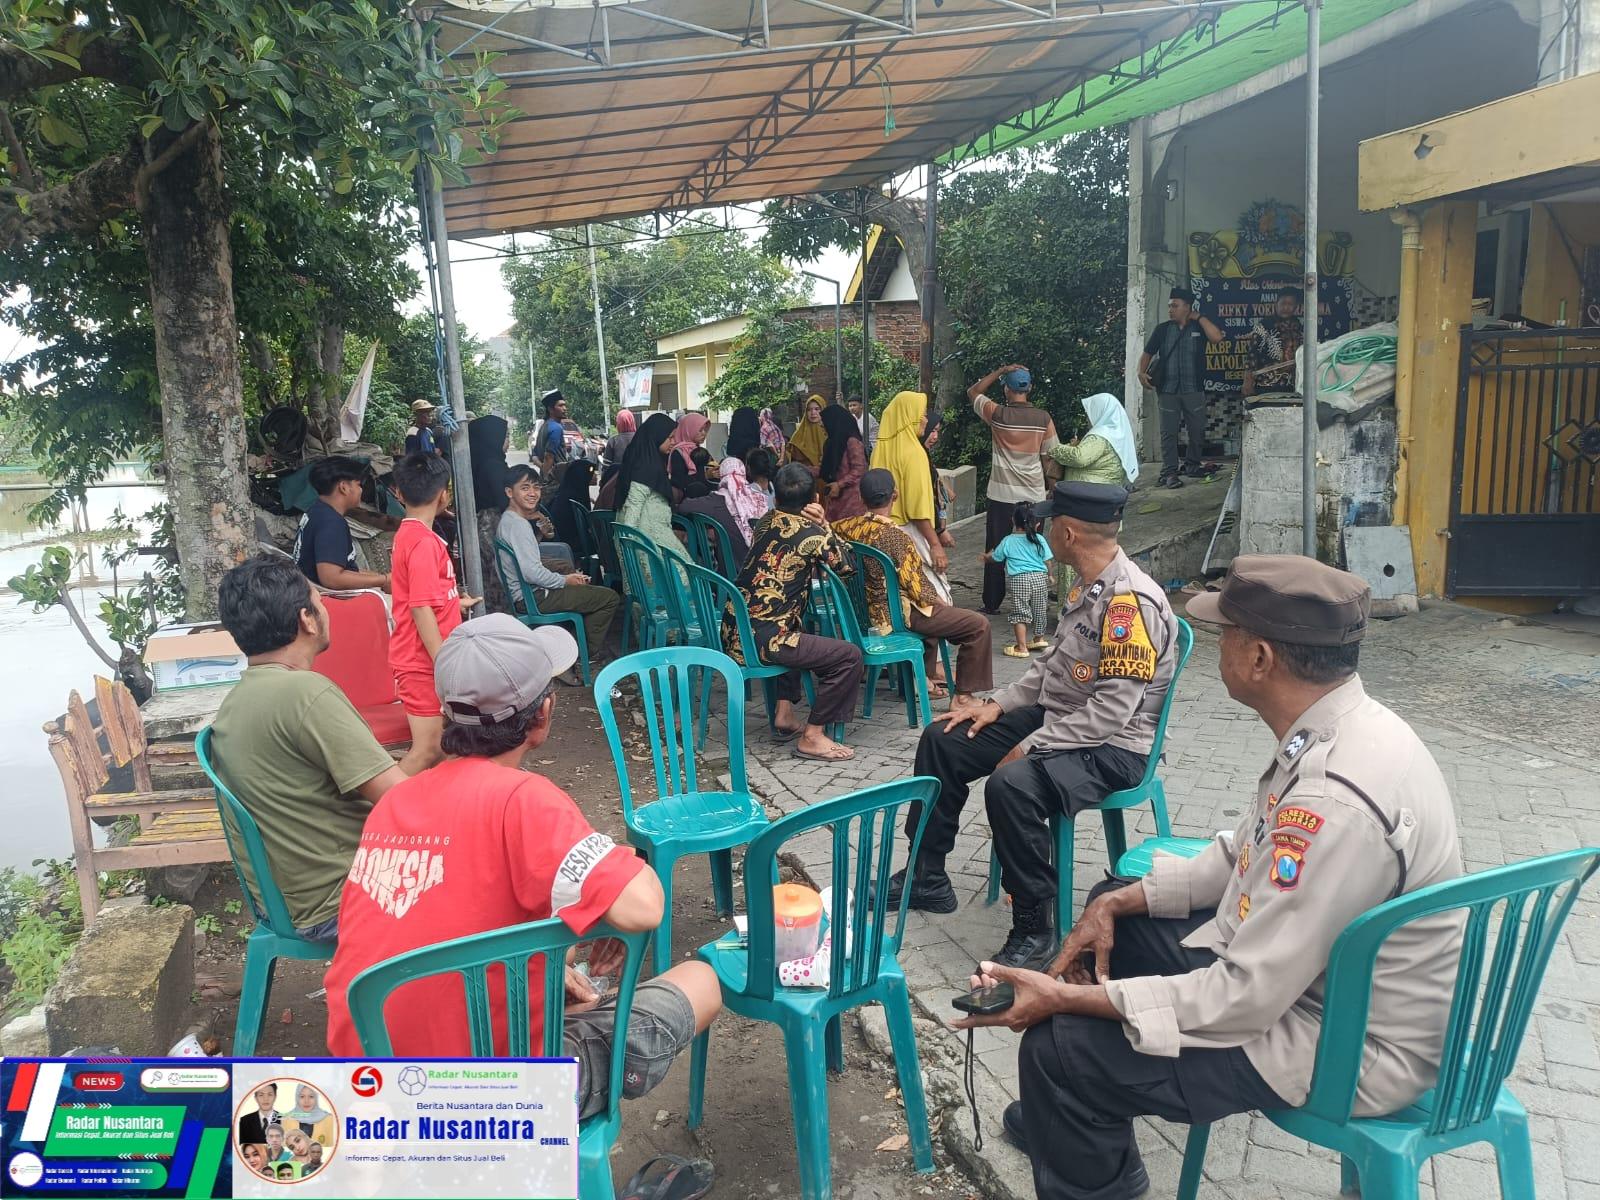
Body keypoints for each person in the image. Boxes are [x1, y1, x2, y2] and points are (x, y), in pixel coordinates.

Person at [959, 556, 1464, 1200]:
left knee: (1059, 1049)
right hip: (1321, 983)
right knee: (1116, 912)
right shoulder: (1340, 727)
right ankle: (1079, 1120)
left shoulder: (1333, 799)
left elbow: (1243, 999)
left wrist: (1067, 1001)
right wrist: (1119, 903)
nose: (1215, 647)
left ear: (1259, 658)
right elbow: (1240, 854)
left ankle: (1078, 1109)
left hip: (1347, 1040)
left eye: (1224, 633)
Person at [323, 617, 724, 1132]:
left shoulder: (394, 804)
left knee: (570, 981)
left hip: (370, 1081)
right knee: (702, 980)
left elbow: (444, 925)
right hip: (489, 1098)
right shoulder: (522, 799)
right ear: (544, 716)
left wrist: (554, 962)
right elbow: (643, 906)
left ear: (445, 714)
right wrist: (607, 899)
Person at [897, 482, 1179, 969]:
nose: (1045, 530)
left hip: (1117, 745)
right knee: (944, 739)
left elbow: (1112, 712)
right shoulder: (1088, 584)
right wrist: (997, 706)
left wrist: (1031, 745)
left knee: (1012, 784)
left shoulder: (1127, 603)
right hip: (1065, 719)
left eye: (1052, 522)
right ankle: (927, 877)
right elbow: (1050, 666)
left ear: (1068, 533)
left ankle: (1035, 928)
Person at [212, 559, 409, 942]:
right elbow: (399, 799)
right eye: (320, 601)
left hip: (285, 902)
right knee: (486, 860)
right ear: (307, 620)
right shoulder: (305, 692)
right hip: (343, 898)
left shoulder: (237, 699)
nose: (324, 610)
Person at [725, 463, 862, 762]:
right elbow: (848, 566)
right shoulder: (814, 534)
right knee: (849, 656)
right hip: (766, 640)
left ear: (776, 497)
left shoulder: (765, 520)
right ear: (815, 499)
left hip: (735, 631)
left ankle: (784, 713)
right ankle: (813, 735)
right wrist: (825, 524)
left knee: (796, 629)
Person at [834, 469, 992, 709]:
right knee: (977, 625)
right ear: (895, 495)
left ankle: (922, 679)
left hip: (864, 613)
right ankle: (963, 698)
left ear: (861, 498)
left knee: (934, 619)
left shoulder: (846, 527)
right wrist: (943, 604)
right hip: (897, 615)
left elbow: (826, 530)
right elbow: (919, 590)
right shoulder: (897, 537)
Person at [389, 452, 481, 775]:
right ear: (445, 495)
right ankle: (383, 802)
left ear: (398, 493)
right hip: (423, 662)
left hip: (422, 659)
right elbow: (420, 607)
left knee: (442, 748)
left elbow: (422, 596)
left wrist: (453, 603)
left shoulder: (409, 535)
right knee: (427, 749)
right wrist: (444, 663)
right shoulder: (425, 543)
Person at [498, 464, 619, 670]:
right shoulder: (518, 525)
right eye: (525, 488)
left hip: (524, 593)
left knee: (566, 567)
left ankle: (572, 636)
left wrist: (540, 535)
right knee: (609, 598)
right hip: (533, 597)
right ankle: (583, 655)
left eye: (536, 487)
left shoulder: (509, 519)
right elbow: (531, 572)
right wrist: (565, 581)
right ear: (510, 492)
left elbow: (525, 556)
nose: (533, 493)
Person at [967, 364, 1060, 613]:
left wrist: (1000, 370)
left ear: (1007, 390)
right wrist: (1053, 490)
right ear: (1029, 388)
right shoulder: (1043, 418)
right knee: (1032, 546)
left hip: (1001, 495)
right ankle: (1033, 600)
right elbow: (1050, 458)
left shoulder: (997, 414)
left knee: (996, 546)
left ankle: (992, 602)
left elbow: (973, 392)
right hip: (1034, 496)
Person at [1049, 392, 1140, 600]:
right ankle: (1098, 599)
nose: (1089, 418)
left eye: (1091, 412)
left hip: (1084, 509)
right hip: (1101, 509)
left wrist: (1056, 449)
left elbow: (1080, 457)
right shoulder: (1117, 435)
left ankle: (1072, 604)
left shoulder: (1101, 436)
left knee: (1076, 557)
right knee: (1100, 559)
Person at [1140, 286, 1226, 488]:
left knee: (1197, 431)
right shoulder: (1162, 329)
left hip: (1193, 388)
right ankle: (1169, 472)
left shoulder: (1198, 328)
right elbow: (1147, 353)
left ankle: (1192, 465)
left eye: (1175, 306)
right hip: (1167, 390)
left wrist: (1200, 317)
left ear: (1187, 307)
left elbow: (1217, 338)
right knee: (1168, 433)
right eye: (1170, 306)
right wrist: (1140, 372)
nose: (1170, 310)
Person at [869, 390, 946, 575]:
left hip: (881, 531)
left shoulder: (879, 449)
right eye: (922, 415)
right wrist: (935, 544)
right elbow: (917, 510)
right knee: (932, 589)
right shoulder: (914, 453)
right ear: (910, 417)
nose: (925, 421)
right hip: (909, 533)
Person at [293, 456, 390, 592]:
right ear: (344, 487)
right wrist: (384, 580)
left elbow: (347, 569)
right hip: (325, 598)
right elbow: (331, 578)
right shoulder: (331, 523)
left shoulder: (316, 511)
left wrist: (382, 579)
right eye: (358, 485)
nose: (361, 490)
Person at [615, 412, 691, 568]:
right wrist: (630, 553)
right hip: (649, 548)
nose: (674, 442)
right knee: (685, 575)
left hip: (652, 541)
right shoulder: (646, 467)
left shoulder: (646, 460)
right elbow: (632, 510)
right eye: (670, 437)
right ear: (657, 436)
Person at [986, 501, 1054, 659]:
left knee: (1020, 612)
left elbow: (996, 557)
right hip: (1039, 578)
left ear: (1013, 521)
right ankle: (1039, 638)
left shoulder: (1008, 540)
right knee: (1039, 609)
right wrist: (1050, 575)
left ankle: (1022, 647)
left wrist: (987, 557)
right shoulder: (1038, 538)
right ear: (1036, 524)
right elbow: (1048, 561)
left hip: (1019, 579)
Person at [679, 458, 754, 567]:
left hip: (732, 571)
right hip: (762, 566)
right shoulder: (759, 499)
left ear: (722, 476)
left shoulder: (716, 500)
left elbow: (684, 506)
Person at [1243, 285, 1304, 397]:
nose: (1286, 307)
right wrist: (1248, 380)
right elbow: (1252, 354)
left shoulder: (1299, 326)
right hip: (1266, 384)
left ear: (1296, 307)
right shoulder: (1264, 325)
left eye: (1290, 304)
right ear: (1276, 304)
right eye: (1283, 303)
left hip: (1293, 385)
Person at [819, 401, 868, 522]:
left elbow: (859, 469)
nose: (821, 425)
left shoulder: (852, 442)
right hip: (835, 499)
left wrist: (840, 484)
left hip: (852, 500)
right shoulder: (832, 443)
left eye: (824, 422)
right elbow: (826, 469)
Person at [550, 457, 595, 553]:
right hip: (570, 544)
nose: (594, 475)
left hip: (563, 541)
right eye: (591, 472)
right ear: (581, 475)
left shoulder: (567, 493)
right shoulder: (574, 497)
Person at [669, 412, 715, 502]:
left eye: (705, 430)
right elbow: (678, 481)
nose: (704, 434)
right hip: (689, 500)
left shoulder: (699, 449)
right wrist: (705, 475)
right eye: (700, 430)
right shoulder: (678, 452)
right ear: (688, 430)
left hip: (705, 498)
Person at [784, 395, 827, 473]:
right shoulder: (798, 435)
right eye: (809, 410)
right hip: (805, 476)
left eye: (817, 409)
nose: (813, 413)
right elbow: (792, 458)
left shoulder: (830, 431)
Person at [537, 389, 570, 478]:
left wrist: (543, 471)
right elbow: (549, 456)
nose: (565, 408)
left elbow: (535, 456)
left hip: (545, 475)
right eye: (560, 405)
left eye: (564, 405)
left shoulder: (543, 426)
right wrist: (546, 478)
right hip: (556, 479)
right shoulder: (556, 428)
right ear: (550, 409)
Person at [603, 408, 636, 478]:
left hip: (618, 481)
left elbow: (606, 467)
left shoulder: (613, 441)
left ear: (618, 423)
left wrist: (603, 481)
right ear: (632, 422)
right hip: (639, 480)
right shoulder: (642, 438)